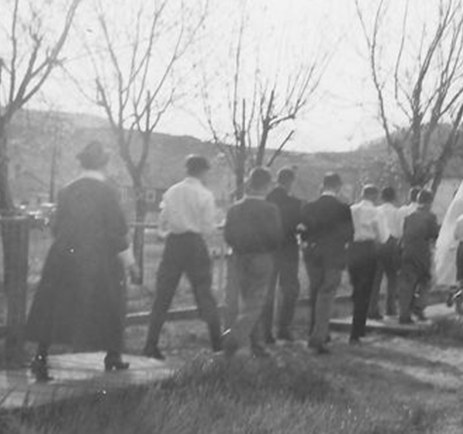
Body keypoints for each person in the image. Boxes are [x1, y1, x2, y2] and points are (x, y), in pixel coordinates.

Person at [26, 141, 133, 382]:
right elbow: (117, 229)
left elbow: (56, 226)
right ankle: (113, 355)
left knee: (53, 305)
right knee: (111, 301)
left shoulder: (66, 190)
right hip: (98, 258)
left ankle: (40, 358)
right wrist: (129, 261)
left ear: (82, 163)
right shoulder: (108, 191)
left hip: (64, 254)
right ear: (104, 164)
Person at [143, 155, 223, 360]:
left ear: (187, 169)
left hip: (174, 244)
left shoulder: (172, 191)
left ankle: (150, 344)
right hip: (194, 244)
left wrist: (167, 234)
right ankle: (218, 346)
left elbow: (162, 222)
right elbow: (207, 228)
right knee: (204, 293)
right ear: (203, 171)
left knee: (163, 296)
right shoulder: (205, 195)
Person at [221, 167, 283, 357]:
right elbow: (276, 236)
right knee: (256, 302)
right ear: (266, 186)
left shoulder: (234, 208)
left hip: (239, 256)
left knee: (246, 300)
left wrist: (240, 246)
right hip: (262, 256)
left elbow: (228, 235)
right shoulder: (270, 209)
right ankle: (235, 337)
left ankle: (257, 344)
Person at [301, 172, 354, 354]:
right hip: (334, 256)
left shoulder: (309, 207)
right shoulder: (343, 209)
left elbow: (303, 231)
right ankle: (318, 337)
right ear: (338, 187)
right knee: (326, 295)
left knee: (315, 293)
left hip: (313, 255)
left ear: (322, 186)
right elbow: (349, 235)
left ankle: (315, 331)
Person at [259, 167, 303, 343]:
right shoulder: (295, 203)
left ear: (277, 180)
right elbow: (300, 225)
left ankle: (266, 331)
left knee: (267, 290)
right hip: (288, 249)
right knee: (290, 288)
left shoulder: (265, 200)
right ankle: (284, 327)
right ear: (290, 181)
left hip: (268, 249)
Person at [348, 185, 388, 344]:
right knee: (365, 291)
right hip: (368, 249)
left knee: (356, 286)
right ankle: (357, 331)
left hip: (352, 249)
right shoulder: (376, 212)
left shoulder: (351, 209)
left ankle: (357, 327)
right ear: (375, 196)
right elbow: (383, 236)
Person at [397, 190, 440, 324]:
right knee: (425, 282)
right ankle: (419, 307)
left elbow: (404, 235)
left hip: (407, 253)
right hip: (421, 253)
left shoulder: (409, 217)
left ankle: (404, 315)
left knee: (407, 284)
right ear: (429, 202)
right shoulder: (430, 217)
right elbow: (433, 235)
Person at [369, 186, 401, 319]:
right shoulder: (397, 212)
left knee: (376, 278)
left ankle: (372, 309)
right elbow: (399, 231)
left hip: (377, 244)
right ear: (394, 197)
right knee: (392, 278)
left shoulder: (375, 210)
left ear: (381, 197)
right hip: (392, 243)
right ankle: (390, 308)